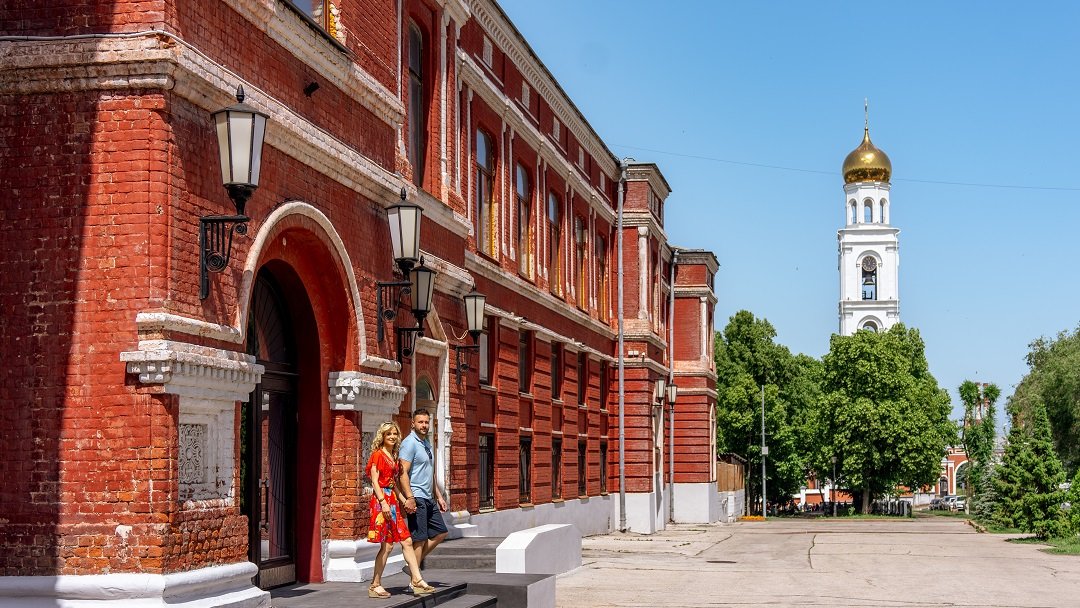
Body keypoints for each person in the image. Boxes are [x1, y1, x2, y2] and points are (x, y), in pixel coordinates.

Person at [365, 421, 435, 598]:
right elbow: (375, 481)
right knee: (387, 546)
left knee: (407, 541)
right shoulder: (378, 455)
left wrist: (404, 501)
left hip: (393, 501)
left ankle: (417, 580)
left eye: (395, 434)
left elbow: (393, 484)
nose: (392, 437)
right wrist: (383, 502)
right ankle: (375, 585)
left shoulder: (393, 456)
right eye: (388, 434)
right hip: (381, 502)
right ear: (382, 436)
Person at [398, 408, 448, 571]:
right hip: (417, 496)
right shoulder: (409, 443)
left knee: (441, 532)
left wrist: (439, 496)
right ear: (413, 423)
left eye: (426, 422)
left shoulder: (426, 443)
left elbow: (430, 472)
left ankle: (411, 565)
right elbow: (402, 473)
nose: (424, 425)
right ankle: (415, 577)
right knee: (419, 539)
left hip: (429, 497)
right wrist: (409, 497)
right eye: (420, 422)